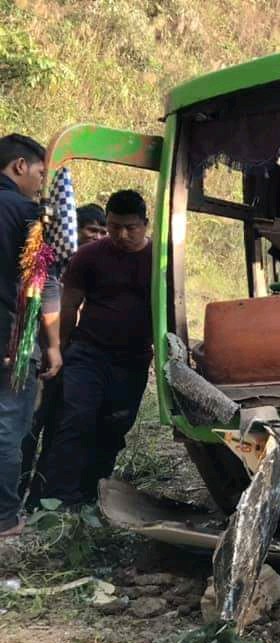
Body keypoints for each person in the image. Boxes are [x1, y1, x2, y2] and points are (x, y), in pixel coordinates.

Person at [38, 190, 153, 507]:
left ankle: (92, 495)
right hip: (88, 353)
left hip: (133, 360)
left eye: (130, 227)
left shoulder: (160, 259)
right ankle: (58, 499)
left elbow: (172, 309)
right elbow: (69, 305)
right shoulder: (90, 256)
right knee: (76, 420)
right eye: (114, 226)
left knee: (113, 427)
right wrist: (60, 349)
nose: (121, 234)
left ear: (145, 223)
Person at [19, 202, 109, 502]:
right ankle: (15, 493)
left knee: (59, 432)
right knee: (29, 427)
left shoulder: (96, 264)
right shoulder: (53, 260)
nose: (97, 237)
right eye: (91, 230)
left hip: (73, 359)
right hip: (43, 355)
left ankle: (38, 498)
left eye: (102, 232)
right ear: (75, 230)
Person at [0, 134, 62, 538]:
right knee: (8, 425)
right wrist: (53, 345)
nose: (42, 181)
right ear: (20, 166)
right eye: (40, 171)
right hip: (11, 339)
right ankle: (5, 517)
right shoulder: (26, 213)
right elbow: (44, 284)